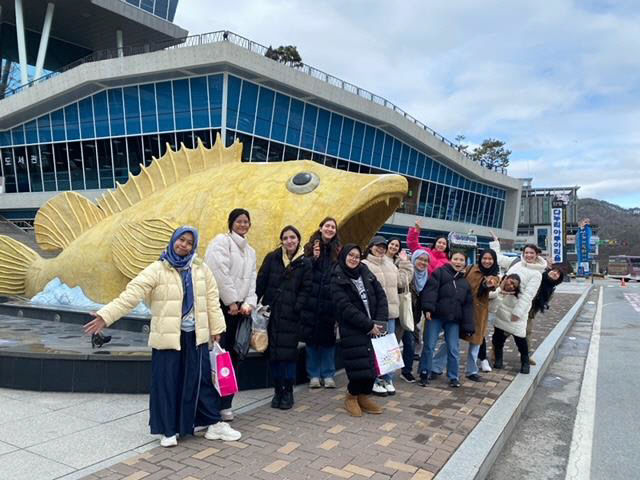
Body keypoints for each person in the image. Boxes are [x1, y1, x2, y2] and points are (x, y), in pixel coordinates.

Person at [83, 226, 241, 447]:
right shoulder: (157, 269)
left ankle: (212, 423)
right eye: (181, 240)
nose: (184, 245)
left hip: (195, 336)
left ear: (193, 245)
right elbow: (132, 294)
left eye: (188, 242)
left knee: (200, 381)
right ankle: (168, 430)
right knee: (167, 383)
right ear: (173, 240)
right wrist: (105, 315)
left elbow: (212, 301)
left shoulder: (200, 268)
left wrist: (216, 329)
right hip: (168, 337)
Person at [204, 209, 257, 421]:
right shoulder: (221, 242)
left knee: (235, 358)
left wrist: (248, 303)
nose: (243, 225)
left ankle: (226, 404)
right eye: (239, 221)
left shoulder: (251, 251)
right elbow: (218, 272)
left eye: (246, 222)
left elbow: (252, 280)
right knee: (218, 357)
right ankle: (210, 406)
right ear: (231, 223)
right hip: (223, 309)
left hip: (241, 312)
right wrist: (232, 301)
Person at [256, 225, 312, 410]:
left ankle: (287, 391)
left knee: (288, 355)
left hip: (291, 317)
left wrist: (297, 307)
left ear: (298, 240)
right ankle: (277, 391)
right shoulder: (272, 258)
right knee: (273, 355)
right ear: (282, 240)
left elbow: (307, 289)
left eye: (293, 237)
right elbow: (261, 281)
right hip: (271, 314)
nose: (289, 241)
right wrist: (256, 305)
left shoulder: (305, 262)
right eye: (286, 237)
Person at [331, 244, 388, 417]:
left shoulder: (366, 272)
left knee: (373, 367)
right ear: (344, 256)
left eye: (357, 256)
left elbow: (381, 296)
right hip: (353, 328)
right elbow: (345, 307)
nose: (354, 259)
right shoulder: (337, 277)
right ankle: (351, 396)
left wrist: (379, 323)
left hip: (374, 327)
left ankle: (364, 396)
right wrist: (368, 325)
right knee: (359, 367)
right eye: (351, 255)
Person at [430, 250, 500, 381]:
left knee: (476, 342)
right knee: (450, 341)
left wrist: (489, 283)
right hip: (461, 309)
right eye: (485, 258)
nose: (487, 261)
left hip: (479, 313)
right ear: (480, 258)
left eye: (490, 259)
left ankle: (472, 371)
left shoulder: (494, 275)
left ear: (494, 261)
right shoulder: (470, 269)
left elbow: (491, 284)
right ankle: (436, 367)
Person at [362, 236, 413, 396]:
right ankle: (375, 379)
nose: (381, 249)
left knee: (390, 348)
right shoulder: (364, 265)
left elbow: (402, 282)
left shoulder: (390, 265)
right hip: (373, 315)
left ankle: (387, 378)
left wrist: (405, 263)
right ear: (370, 247)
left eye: (383, 246)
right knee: (375, 348)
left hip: (390, 314)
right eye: (378, 246)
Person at [489, 234, 547, 374]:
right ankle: (498, 360)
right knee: (498, 337)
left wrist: (518, 312)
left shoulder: (537, 274)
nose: (528, 255)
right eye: (526, 252)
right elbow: (497, 258)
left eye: (531, 253)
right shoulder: (515, 263)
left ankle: (525, 362)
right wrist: (496, 243)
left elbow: (528, 296)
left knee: (520, 338)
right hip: (503, 304)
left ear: (537, 255)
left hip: (517, 309)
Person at [418, 251, 474, 388]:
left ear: (465, 263)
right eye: (455, 259)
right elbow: (431, 291)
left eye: (461, 260)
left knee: (453, 348)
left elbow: (467, 306)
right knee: (429, 346)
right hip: (436, 316)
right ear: (450, 260)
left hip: (453, 319)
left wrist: (468, 326)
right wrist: (428, 309)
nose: (458, 262)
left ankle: (453, 377)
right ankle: (424, 372)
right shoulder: (440, 273)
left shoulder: (465, 283)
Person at [301, 217, 341, 389]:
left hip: (329, 301)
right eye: (327, 226)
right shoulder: (310, 248)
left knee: (328, 340)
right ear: (320, 227)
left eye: (333, 227)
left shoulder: (337, 250)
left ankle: (328, 374)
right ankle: (314, 375)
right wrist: (314, 258)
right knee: (312, 340)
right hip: (311, 300)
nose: (330, 229)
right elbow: (304, 269)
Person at [399, 250, 430, 383]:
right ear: (414, 259)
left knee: (410, 344)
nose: (423, 262)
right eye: (420, 259)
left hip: (413, 317)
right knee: (395, 343)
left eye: (426, 260)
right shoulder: (407, 273)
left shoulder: (427, 278)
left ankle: (406, 371)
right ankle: (383, 374)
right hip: (400, 313)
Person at [526, 266, 564, 365]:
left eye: (558, 274)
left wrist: (533, 313)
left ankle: (526, 356)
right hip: (521, 307)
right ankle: (496, 352)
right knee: (506, 331)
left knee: (527, 332)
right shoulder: (538, 276)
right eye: (554, 271)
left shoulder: (551, 289)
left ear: (559, 279)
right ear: (549, 271)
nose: (555, 273)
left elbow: (544, 303)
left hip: (530, 312)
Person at [489, 274, 527, 371]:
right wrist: (501, 293)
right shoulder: (497, 290)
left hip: (516, 321)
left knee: (521, 342)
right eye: (510, 282)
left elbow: (524, 306)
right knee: (497, 340)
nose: (511, 286)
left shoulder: (521, 295)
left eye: (514, 285)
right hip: (501, 319)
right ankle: (498, 360)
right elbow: (492, 308)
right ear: (505, 279)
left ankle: (525, 362)